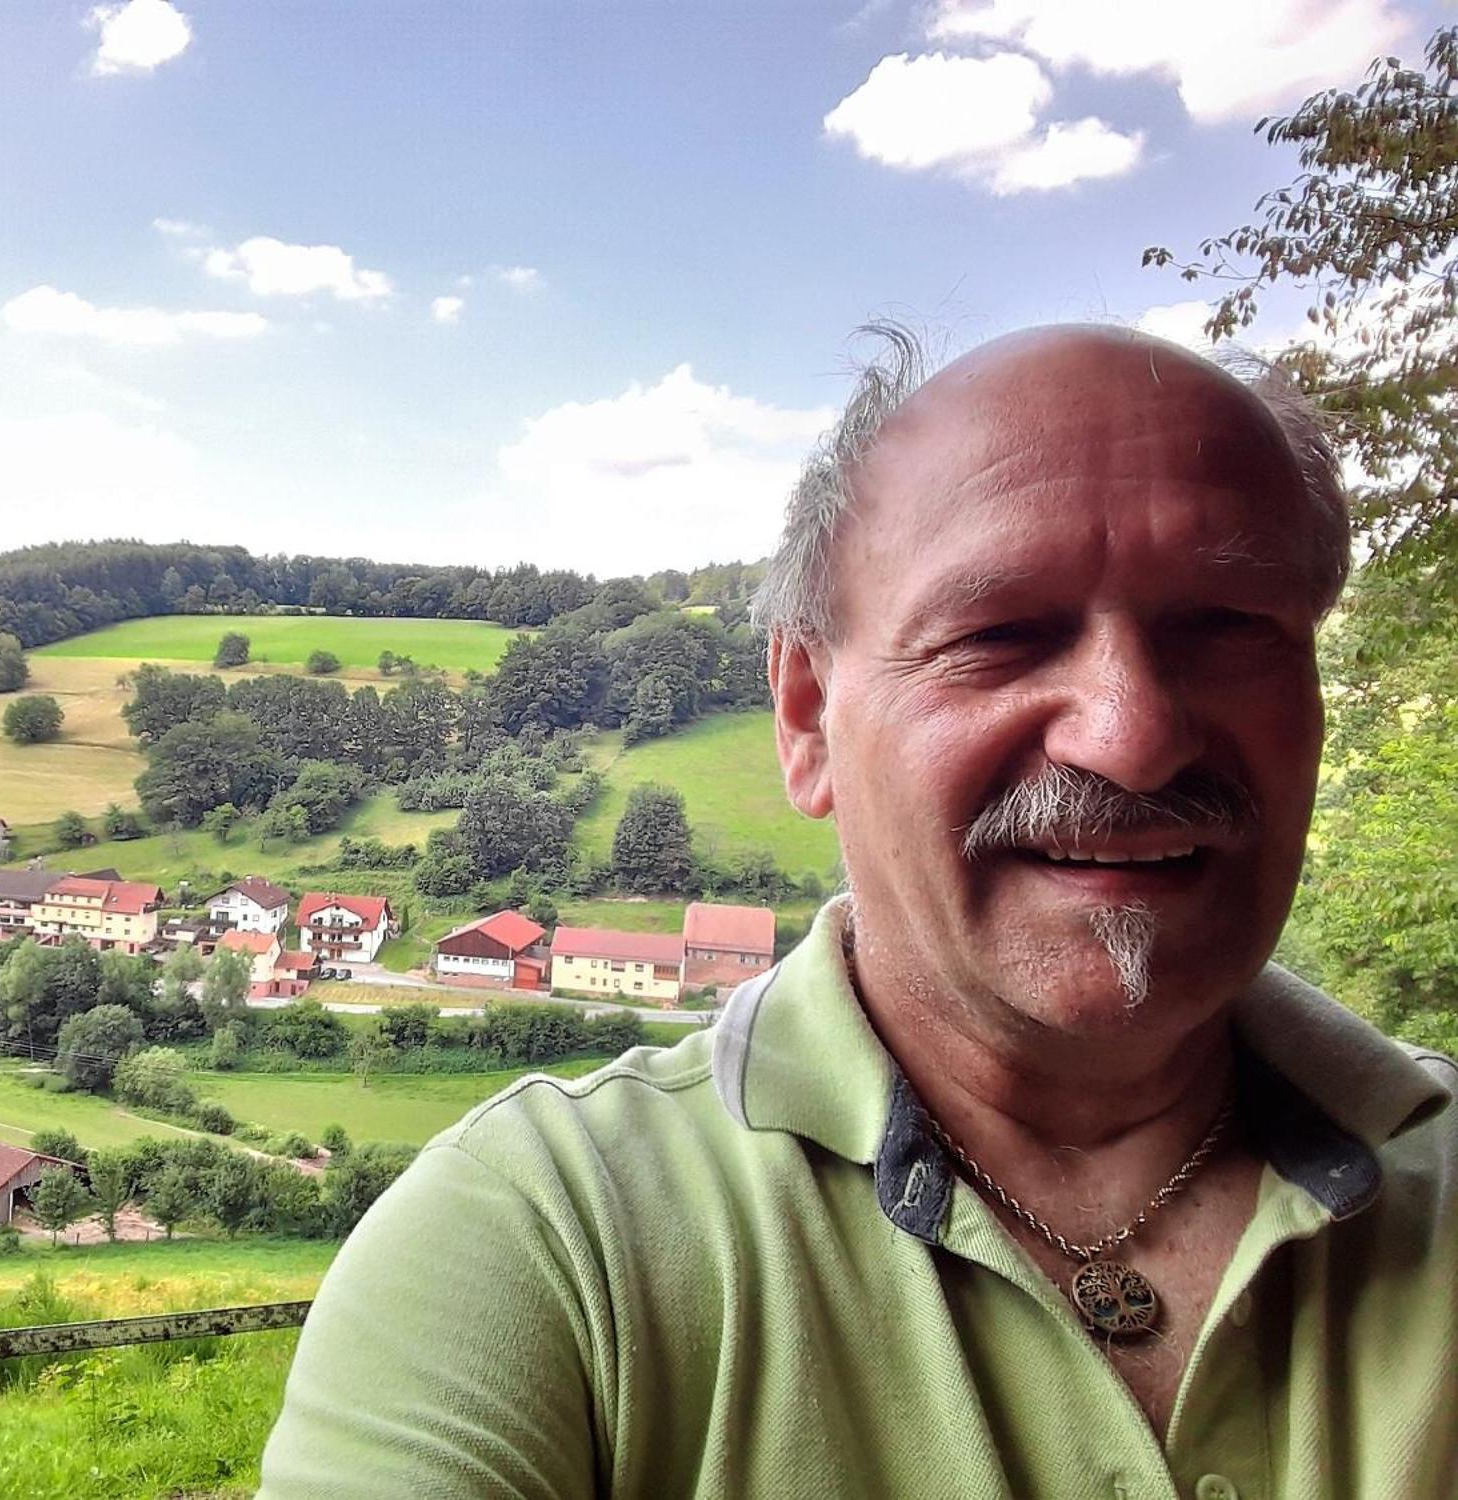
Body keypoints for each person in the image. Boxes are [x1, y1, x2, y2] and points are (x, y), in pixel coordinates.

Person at [258, 325, 1458, 1497]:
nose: (1132, 736)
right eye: (997, 634)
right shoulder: (541, 1246)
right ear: (803, 716)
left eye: (1225, 627)